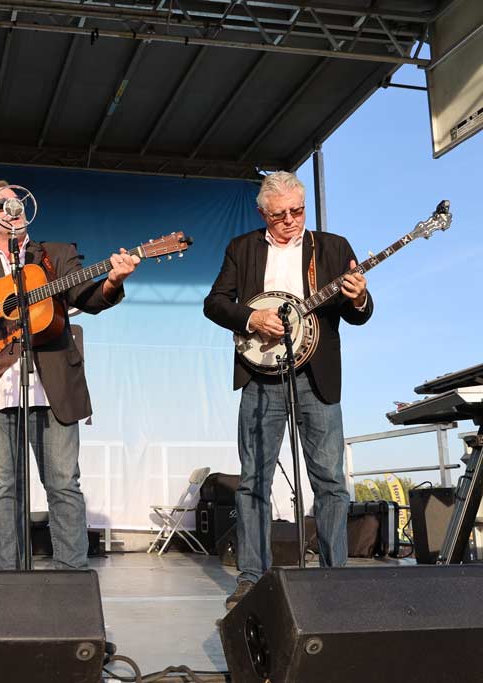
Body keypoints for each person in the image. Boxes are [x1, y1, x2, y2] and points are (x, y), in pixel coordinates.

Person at [0, 179, 139, 570]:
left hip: (51, 387)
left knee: (63, 483)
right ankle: (11, 577)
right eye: (0, 204)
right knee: (3, 487)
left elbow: (86, 297)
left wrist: (115, 280)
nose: (11, 208)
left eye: (15, 201)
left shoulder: (55, 254)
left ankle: (72, 574)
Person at [203, 171, 372, 610]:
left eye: (298, 210)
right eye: (280, 214)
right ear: (264, 214)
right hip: (261, 377)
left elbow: (358, 314)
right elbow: (214, 303)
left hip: (316, 376)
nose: (291, 220)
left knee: (330, 480)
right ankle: (251, 578)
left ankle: (335, 576)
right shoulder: (242, 248)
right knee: (253, 482)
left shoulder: (333, 247)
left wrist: (358, 297)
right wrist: (251, 318)